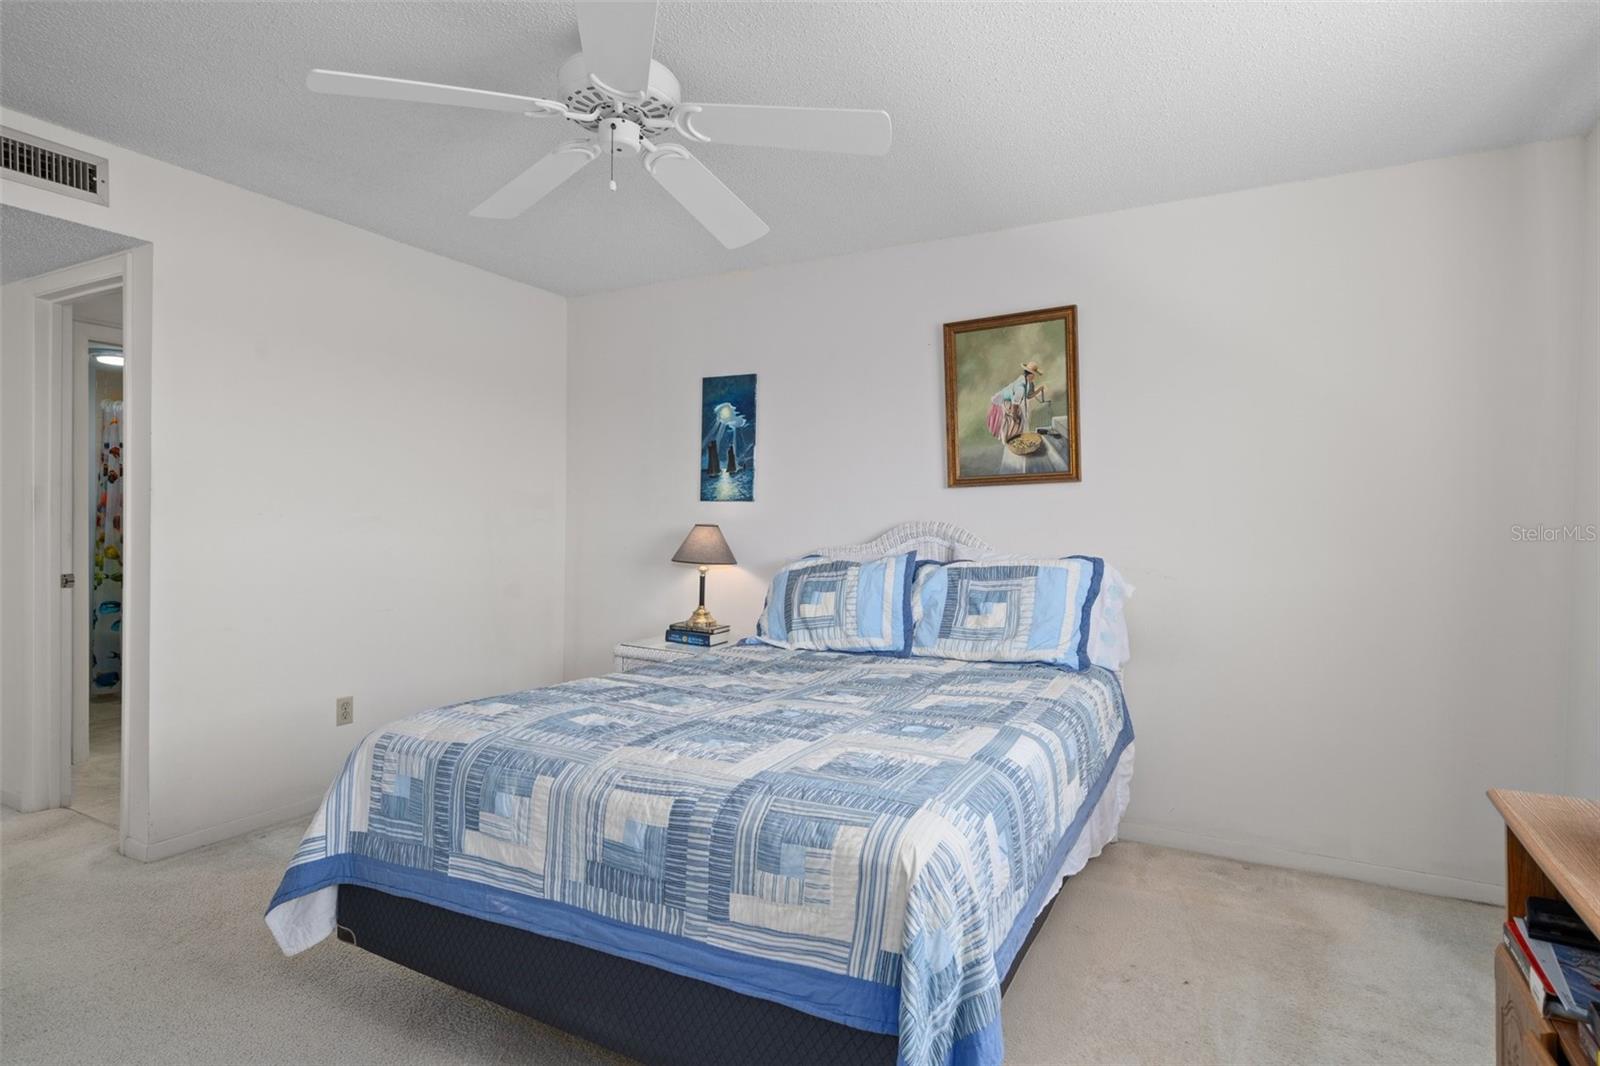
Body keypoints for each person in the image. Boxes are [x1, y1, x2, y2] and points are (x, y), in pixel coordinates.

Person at [986, 361, 1047, 442]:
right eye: (1034, 374)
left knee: (1020, 421)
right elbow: (1015, 403)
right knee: (1014, 423)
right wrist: (1015, 417)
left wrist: (1039, 389)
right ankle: (1014, 441)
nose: (1035, 377)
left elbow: (1028, 396)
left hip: (1012, 402)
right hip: (1004, 402)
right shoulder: (1020, 387)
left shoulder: (1028, 382)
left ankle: (1019, 439)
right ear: (1031, 374)